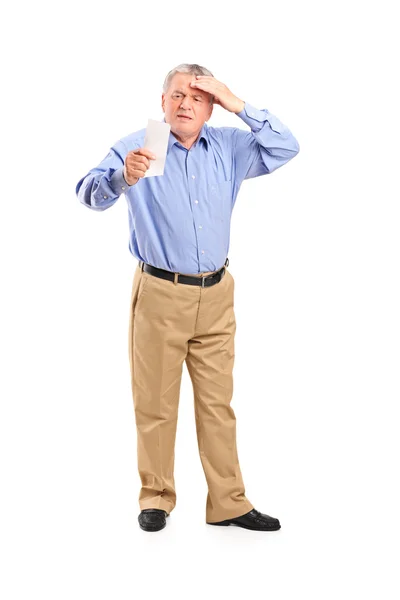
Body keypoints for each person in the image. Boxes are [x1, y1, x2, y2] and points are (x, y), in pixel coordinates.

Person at [76, 63, 300, 533]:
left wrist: (237, 102)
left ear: (211, 106)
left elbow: (286, 146)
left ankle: (229, 503)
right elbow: (88, 195)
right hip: (161, 292)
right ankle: (156, 497)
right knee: (155, 402)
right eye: (177, 95)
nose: (185, 104)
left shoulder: (230, 146)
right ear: (162, 102)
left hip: (217, 294)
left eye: (198, 97)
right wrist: (122, 177)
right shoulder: (141, 146)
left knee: (218, 404)